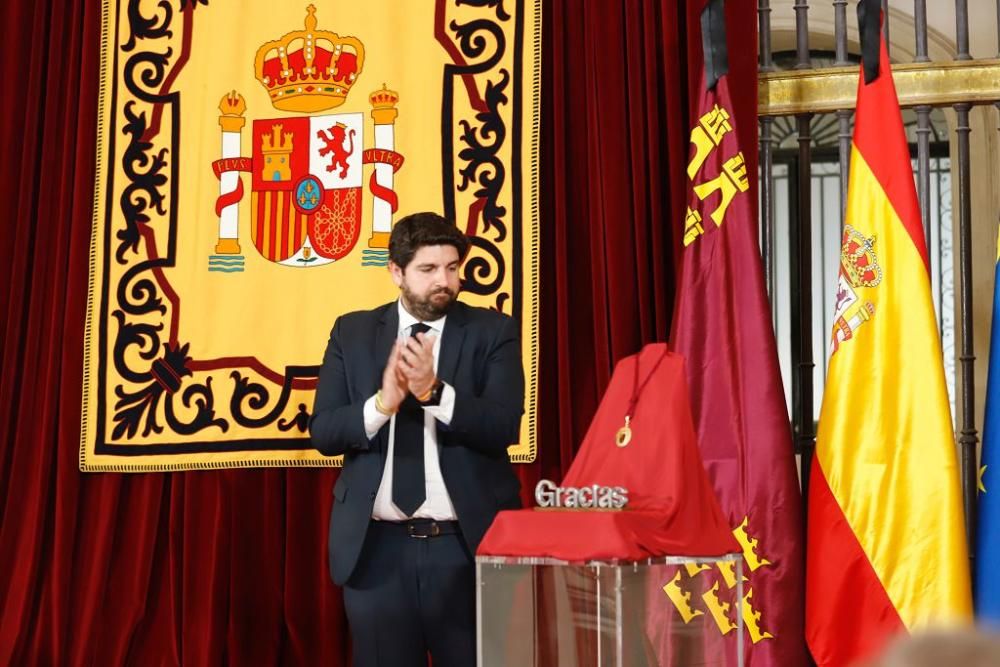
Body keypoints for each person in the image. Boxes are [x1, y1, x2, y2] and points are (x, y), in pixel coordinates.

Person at [310, 211, 525, 667]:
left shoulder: (494, 332)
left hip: (466, 551)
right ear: (396, 272)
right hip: (376, 555)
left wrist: (434, 392)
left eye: (451, 267)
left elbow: (504, 425)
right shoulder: (352, 331)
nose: (443, 281)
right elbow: (325, 432)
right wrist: (383, 405)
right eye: (428, 269)